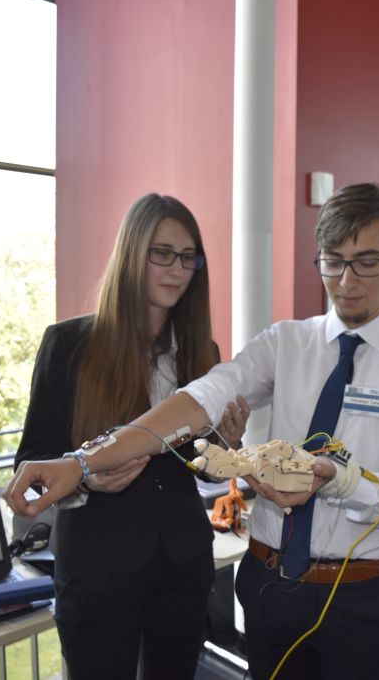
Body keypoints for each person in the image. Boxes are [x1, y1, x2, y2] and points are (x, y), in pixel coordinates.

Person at [4, 183, 379, 679]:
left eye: (367, 261)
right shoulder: (286, 343)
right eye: (333, 260)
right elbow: (203, 398)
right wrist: (82, 465)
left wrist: (337, 478)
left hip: (361, 597)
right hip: (269, 588)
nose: (347, 279)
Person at [14, 193, 250, 679]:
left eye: (188, 257)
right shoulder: (68, 345)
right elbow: (35, 462)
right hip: (97, 568)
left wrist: (226, 445)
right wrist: (87, 480)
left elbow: (199, 467)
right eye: (161, 252)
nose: (177, 269)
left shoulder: (202, 353)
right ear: (131, 253)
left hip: (182, 563)